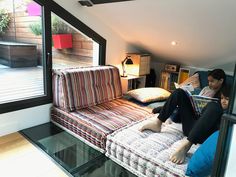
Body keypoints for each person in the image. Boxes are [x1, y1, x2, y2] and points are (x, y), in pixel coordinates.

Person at [140, 69, 227, 164]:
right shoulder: (206, 89)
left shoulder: (225, 94)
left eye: (212, 81)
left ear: (221, 81)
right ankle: (158, 123)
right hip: (192, 123)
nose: (210, 83)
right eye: (209, 81)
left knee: (213, 106)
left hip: (202, 133)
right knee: (179, 92)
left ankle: (186, 145)